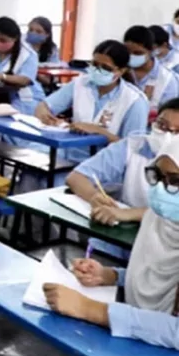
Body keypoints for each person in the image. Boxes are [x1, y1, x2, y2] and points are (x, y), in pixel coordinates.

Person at [11, 141, 179, 356]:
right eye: (157, 176)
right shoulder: (161, 218)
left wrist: (90, 309)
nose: (161, 189)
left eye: (175, 180)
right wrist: (110, 276)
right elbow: (156, 274)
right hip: (140, 349)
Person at [66, 99, 179, 261]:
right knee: (91, 271)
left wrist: (129, 213)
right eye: (162, 125)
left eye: (177, 132)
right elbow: (76, 177)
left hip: (166, 245)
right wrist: (94, 197)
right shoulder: (134, 145)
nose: (167, 135)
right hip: (119, 234)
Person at [36, 40, 149, 163]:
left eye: (106, 68)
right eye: (95, 64)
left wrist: (99, 132)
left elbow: (133, 149)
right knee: (31, 171)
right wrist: (46, 117)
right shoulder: (81, 83)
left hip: (105, 165)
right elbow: (44, 105)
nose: (98, 70)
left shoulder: (134, 101)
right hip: (68, 155)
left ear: (121, 71)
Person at [126, 25, 179, 111]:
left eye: (138, 53)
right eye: (128, 52)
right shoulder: (120, 71)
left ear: (151, 50)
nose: (131, 56)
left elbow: (169, 115)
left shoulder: (167, 80)